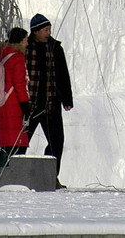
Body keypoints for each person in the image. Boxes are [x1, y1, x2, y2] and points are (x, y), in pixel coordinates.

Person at [24, 13, 74, 188]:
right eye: (45, 29)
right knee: (21, 142)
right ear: (35, 31)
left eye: (49, 29)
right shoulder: (26, 47)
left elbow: (62, 75)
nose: (48, 32)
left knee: (56, 142)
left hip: (51, 104)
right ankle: (13, 176)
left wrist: (67, 99)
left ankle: (50, 177)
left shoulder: (55, 48)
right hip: (29, 105)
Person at [0, 26, 31, 188]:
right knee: (16, 144)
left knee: (7, 145)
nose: (27, 43)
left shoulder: (2, 56)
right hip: (13, 105)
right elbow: (19, 84)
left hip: (1, 104)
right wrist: (26, 105)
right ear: (20, 41)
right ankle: (7, 181)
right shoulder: (17, 58)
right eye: (26, 40)